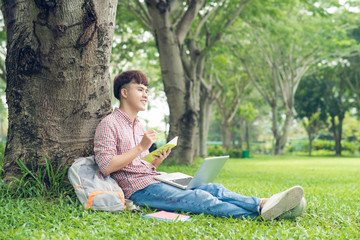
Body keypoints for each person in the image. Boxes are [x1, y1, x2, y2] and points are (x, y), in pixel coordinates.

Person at [94, 70, 305, 220]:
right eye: (140, 89)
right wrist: (141, 148)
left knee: (213, 188)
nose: (146, 95)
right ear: (124, 92)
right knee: (199, 198)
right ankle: (264, 214)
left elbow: (137, 164)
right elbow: (106, 166)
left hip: (153, 179)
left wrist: (155, 161)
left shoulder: (139, 125)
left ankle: (262, 203)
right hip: (137, 190)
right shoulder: (108, 123)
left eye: (146, 90)